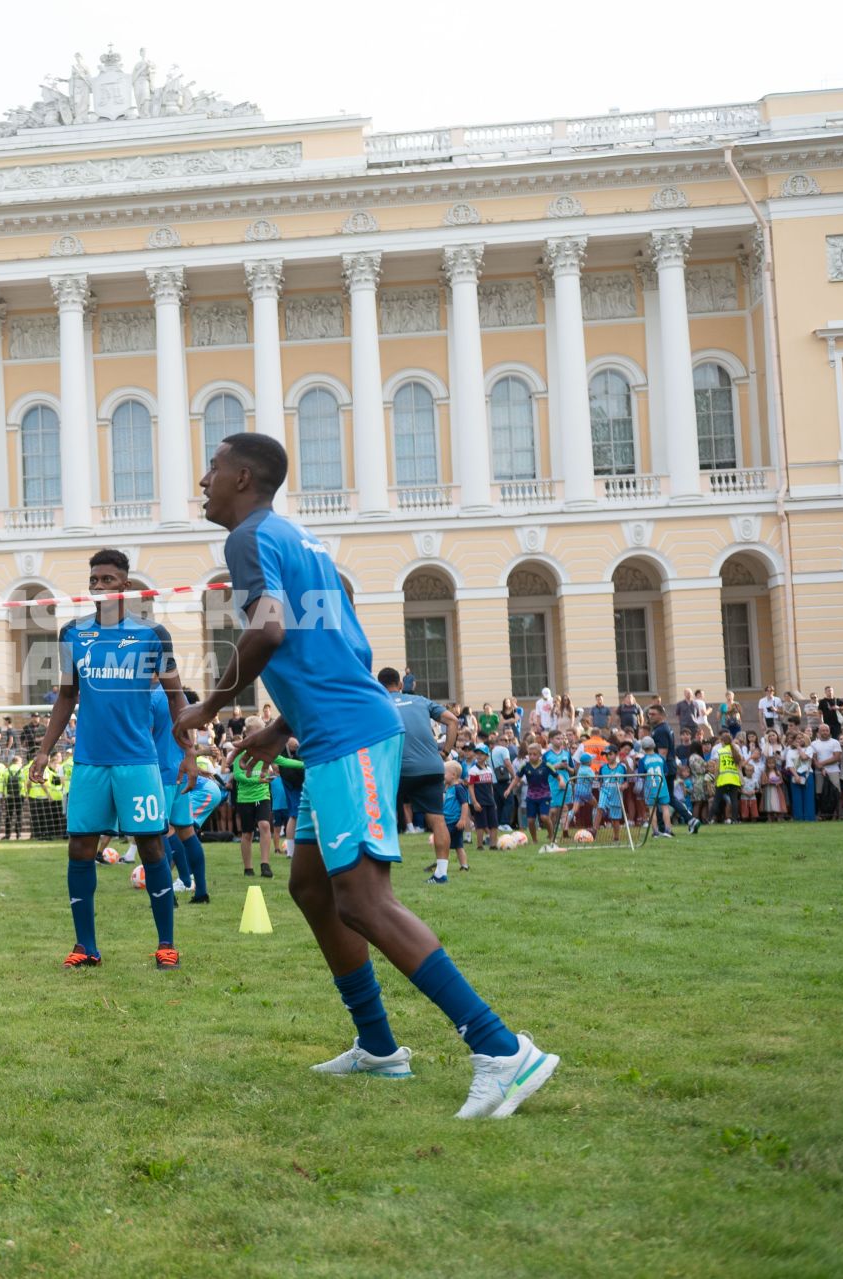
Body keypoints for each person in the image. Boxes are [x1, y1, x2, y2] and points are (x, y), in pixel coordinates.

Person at [182, 433, 556, 1118]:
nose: (202, 480)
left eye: (211, 468)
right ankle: (379, 1047)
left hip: (349, 736)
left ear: (241, 477)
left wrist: (211, 703)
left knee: (364, 899)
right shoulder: (301, 540)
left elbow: (266, 634)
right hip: (335, 732)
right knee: (310, 886)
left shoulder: (247, 540)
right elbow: (344, 648)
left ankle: (502, 1050)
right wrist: (281, 726)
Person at [31, 549, 192, 970]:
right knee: (81, 847)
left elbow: (177, 696)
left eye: (107, 579)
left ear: (125, 585)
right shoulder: (71, 634)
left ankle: (166, 945)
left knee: (152, 846)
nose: (99, 586)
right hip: (89, 763)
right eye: (94, 579)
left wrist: (189, 753)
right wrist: (45, 750)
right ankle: (86, 947)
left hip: (138, 762)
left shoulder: (152, 634)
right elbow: (67, 696)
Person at [379, 668, 459, 885]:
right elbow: (452, 720)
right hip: (431, 766)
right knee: (437, 818)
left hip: (397, 768)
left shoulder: (377, 701)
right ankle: (441, 873)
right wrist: (445, 752)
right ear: (400, 684)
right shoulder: (421, 700)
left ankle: (376, 872)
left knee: (379, 814)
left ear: (380, 685)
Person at [155, 688, 217, 903]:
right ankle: (201, 891)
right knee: (186, 831)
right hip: (180, 773)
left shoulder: (150, 696)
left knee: (157, 834)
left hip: (158, 774)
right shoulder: (177, 696)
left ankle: (167, 896)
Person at [230, 726, 276, 877]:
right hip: (245, 799)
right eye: (253, 735)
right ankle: (248, 868)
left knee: (264, 825)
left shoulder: (265, 752)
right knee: (247, 834)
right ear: (247, 735)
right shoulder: (240, 753)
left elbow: (284, 761)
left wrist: (306, 763)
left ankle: (265, 865)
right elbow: (238, 775)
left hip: (262, 797)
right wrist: (259, 780)